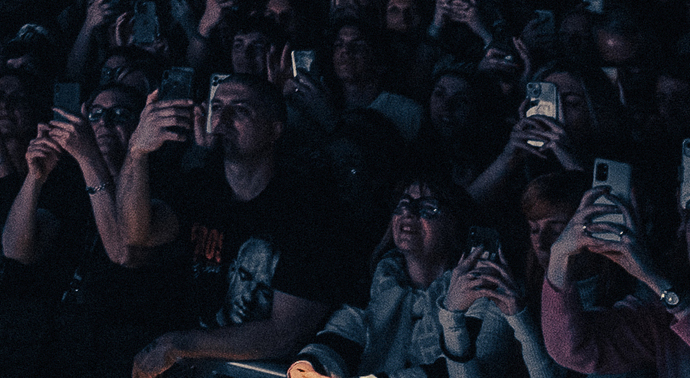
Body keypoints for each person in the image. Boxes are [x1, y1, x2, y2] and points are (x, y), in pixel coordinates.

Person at [125, 73, 364, 377]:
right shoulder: (201, 186)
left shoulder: (307, 207)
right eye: (216, 107)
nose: (222, 119)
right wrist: (136, 152)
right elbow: (136, 235)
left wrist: (178, 343)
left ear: (275, 129)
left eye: (240, 110)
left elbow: (286, 333)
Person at [293, 168, 527, 378]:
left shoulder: (482, 289)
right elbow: (343, 332)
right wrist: (311, 364)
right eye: (403, 204)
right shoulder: (379, 285)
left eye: (427, 208)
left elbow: (472, 368)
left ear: (455, 224)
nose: (408, 213)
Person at [537, 181, 690, 376]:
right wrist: (560, 256)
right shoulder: (659, 314)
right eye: (688, 217)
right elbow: (575, 351)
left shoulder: (667, 297)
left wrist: (661, 286)